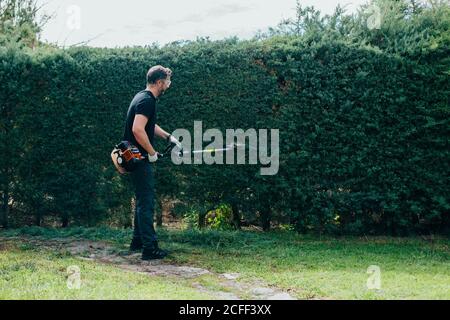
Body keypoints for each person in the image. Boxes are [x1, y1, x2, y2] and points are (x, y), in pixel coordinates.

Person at [122, 65, 181, 260]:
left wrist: (168, 137)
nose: (169, 86)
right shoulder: (147, 101)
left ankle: (137, 241)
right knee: (146, 202)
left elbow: (148, 124)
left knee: (141, 200)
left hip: (134, 156)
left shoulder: (143, 97)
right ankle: (150, 249)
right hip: (138, 158)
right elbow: (138, 129)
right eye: (167, 82)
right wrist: (151, 152)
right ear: (159, 82)